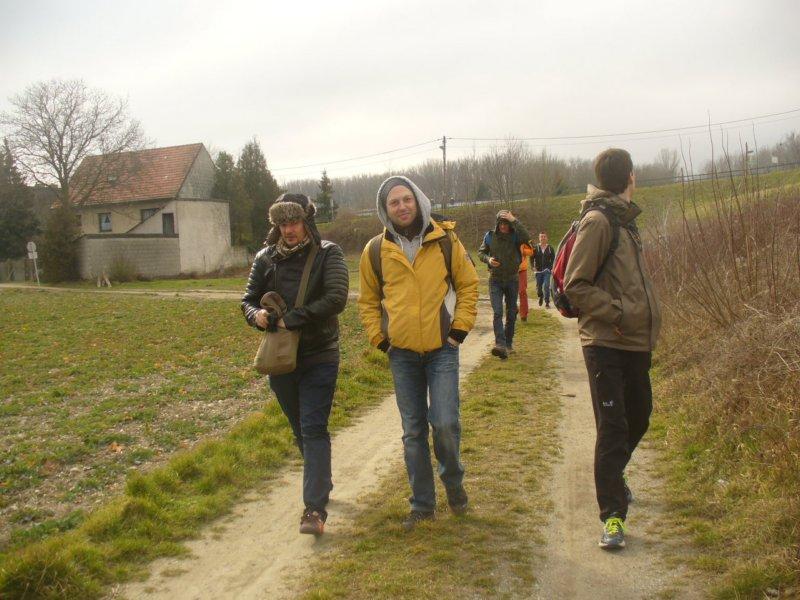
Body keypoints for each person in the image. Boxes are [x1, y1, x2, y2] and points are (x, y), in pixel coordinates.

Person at [358, 176, 479, 531]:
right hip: (402, 355)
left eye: (406, 199)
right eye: (394, 202)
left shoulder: (445, 240)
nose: (402, 206)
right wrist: (380, 339)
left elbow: (469, 284)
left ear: (418, 200)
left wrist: (459, 329)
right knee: (413, 432)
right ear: (385, 209)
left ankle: (453, 484)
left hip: (443, 350)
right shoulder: (375, 251)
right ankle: (423, 505)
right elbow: (367, 301)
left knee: (445, 424)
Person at [564, 148, 662, 550]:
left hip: (635, 340)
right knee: (614, 427)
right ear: (631, 177)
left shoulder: (625, 220)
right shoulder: (599, 221)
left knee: (640, 416)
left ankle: (613, 476)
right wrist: (617, 312)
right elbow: (575, 284)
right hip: (605, 341)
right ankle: (613, 517)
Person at [241, 193, 349, 536]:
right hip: (281, 358)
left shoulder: (328, 253)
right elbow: (246, 299)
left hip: (319, 353)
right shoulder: (265, 258)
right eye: (283, 223)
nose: (289, 229)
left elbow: (336, 298)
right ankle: (322, 479)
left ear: (307, 221)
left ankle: (314, 509)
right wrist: (256, 314)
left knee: (313, 427)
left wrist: (293, 319)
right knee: (299, 427)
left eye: (294, 221)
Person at [477, 210, 531, 358]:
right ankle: (500, 345)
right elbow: (481, 253)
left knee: (511, 313)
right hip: (495, 279)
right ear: (497, 223)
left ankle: (508, 343)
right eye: (501, 223)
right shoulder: (490, 236)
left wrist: (514, 220)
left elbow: (527, 238)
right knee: (498, 312)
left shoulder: (516, 236)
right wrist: (488, 260)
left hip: (512, 279)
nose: (503, 226)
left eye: (506, 223)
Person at [532, 231, 555, 308]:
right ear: (539, 238)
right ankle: (540, 296)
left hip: (547, 271)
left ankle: (547, 302)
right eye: (541, 237)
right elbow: (531, 258)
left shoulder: (550, 248)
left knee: (546, 286)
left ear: (547, 238)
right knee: (539, 288)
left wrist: (551, 268)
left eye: (544, 236)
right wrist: (533, 266)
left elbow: (553, 259)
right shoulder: (535, 248)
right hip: (538, 271)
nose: (543, 238)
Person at [518, 241, 534, 322]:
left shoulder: (523, 238)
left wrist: (523, 251)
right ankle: (513, 310)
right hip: (509, 269)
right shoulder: (506, 237)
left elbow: (531, 251)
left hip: (522, 270)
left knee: (522, 291)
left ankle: (523, 315)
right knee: (509, 291)